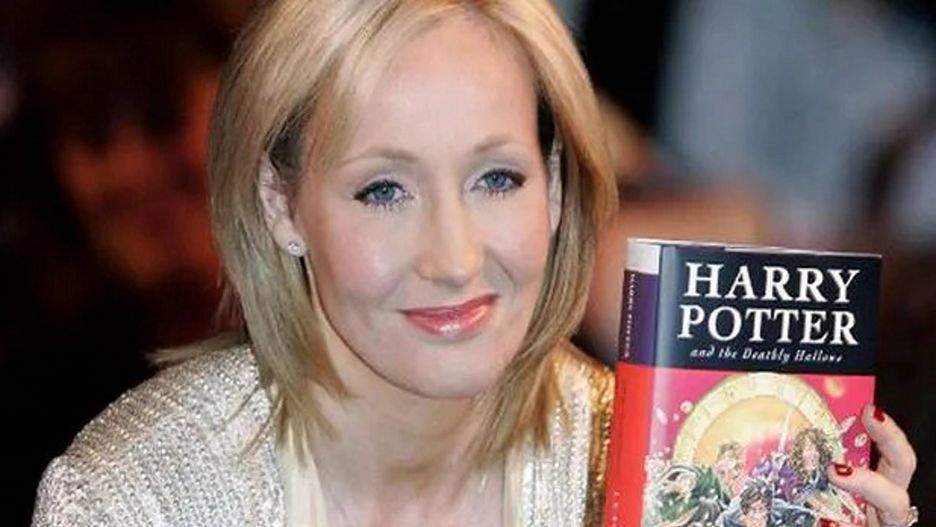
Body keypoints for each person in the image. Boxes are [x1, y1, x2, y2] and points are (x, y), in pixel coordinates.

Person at [31, 1, 919, 526]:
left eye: (497, 178)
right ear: (281, 205)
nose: (454, 259)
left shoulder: (669, 468)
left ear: (557, 187)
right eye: (384, 190)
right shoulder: (134, 498)